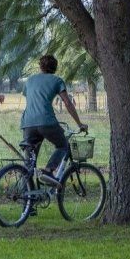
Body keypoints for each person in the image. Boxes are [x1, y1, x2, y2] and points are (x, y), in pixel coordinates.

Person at [20, 55, 86, 185]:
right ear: (55, 68)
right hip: (46, 122)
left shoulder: (30, 80)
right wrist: (80, 123)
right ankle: (49, 171)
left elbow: (30, 98)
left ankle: (27, 201)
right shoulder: (57, 80)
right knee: (63, 145)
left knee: (29, 165)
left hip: (27, 123)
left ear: (40, 66)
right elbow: (67, 103)